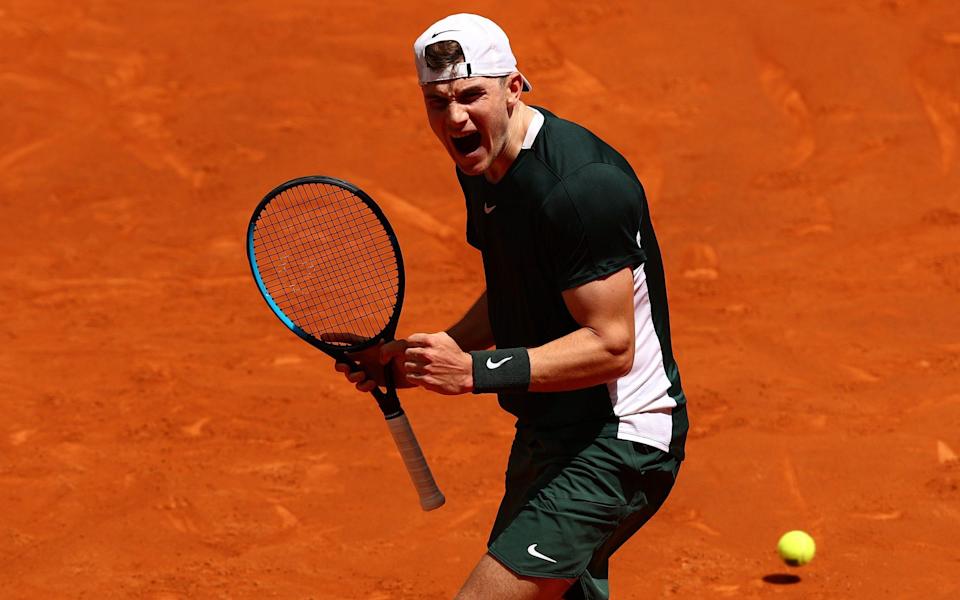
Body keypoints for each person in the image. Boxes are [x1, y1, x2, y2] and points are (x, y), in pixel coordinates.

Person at [336, 13, 689, 600]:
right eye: (436, 101)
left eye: (472, 96)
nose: (454, 119)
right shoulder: (482, 166)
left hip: (618, 437)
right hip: (549, 430)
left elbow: (611, 346)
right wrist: (421, 356)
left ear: (514, 87)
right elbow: (518, 291)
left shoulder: (579, 189)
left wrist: (472, 372)